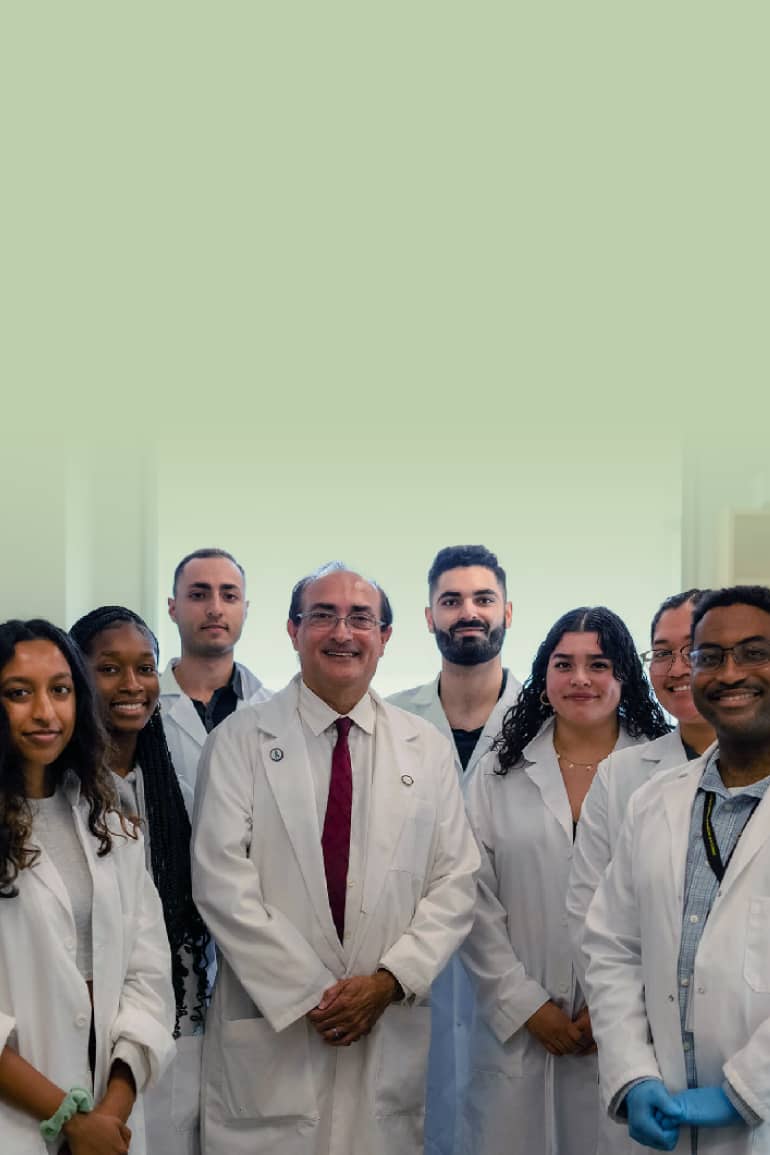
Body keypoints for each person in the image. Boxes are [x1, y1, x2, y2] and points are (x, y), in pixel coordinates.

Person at [191, 561, 480, 1155]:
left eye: (360, 618)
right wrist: (311, 993)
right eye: (322, 616)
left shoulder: (424, 748)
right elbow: (221, 883)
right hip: (274, 1032)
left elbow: (456, 881)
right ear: (293, 631)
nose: (342, 632)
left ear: (386, 638)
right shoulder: (239, 742)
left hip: (385, 1027)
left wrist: (389, 981)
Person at [460, 606, 669, 1155]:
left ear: (625, 676)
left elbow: (673, 904)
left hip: (630, 1032)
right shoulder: (498, 770)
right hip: (518, 1033)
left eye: (599, 664)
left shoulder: (667, 772)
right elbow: (470, 894)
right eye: (563, 663)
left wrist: (617, 1010)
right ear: (543, 674)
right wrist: (524, 1004)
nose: (580, 679)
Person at [583, 586, 770, 1154]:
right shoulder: (655, 800)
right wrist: (634, 1075)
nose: (729, 673)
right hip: (661, 1119)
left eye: (754, 652)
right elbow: (612, 946)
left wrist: (743, 1091)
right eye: (709, 656)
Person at [0, 618, 174, 1155]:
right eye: (18, 693)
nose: (45, 713)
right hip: (17, 1119)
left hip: (109, 1116)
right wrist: (68, 1119)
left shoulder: (112, 823)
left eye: (60, 690)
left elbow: (148, 979)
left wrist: (108, 1114)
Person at [388, 543, 521, 1155]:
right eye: (452, 601)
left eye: (482, 599)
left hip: (522, 973)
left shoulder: (547, 723)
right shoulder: (389, 723)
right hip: (413, 974)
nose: (468, 612)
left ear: (508, 612)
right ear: (430, 616)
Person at [70, 605, 212, 1155]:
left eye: (145, 667)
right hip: (84, 1031)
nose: (133, 684)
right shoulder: (62, 795)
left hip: (172, 1023)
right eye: (109, 669)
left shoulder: (169, 781)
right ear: (77, 677)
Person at [568, 589, 717, 991]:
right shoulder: (620, 775)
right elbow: (590, 915)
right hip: (645, 1022)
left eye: (696, 650)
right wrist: (626, 1024)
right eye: (663, 653)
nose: (677, 669)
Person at [160, 548, 270, 800]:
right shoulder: (144, 709)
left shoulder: (275, 710)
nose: (215, 609)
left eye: (229, 596)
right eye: (198, 595)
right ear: (173, 608)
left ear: (245, 609)